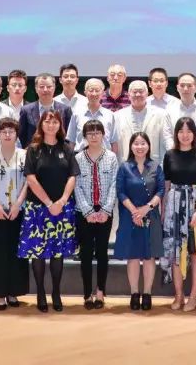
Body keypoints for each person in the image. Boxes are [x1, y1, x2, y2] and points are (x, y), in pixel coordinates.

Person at [18, 110, 79, 312]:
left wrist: (61, 201)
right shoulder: (33, 149)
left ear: (60, 125)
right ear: (41, 125)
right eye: (47, 121)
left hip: (62, 209)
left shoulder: (67, 148)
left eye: (55, 122)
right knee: (38, 253)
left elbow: (72, 176)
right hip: (38, 209)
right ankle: (40, 293)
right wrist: (48, 203)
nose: (51, 125)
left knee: (57, 253)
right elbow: (30, 178)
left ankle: (56, 293)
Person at [161, 116, 196, 311]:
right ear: (176, 134)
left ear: (194, 134)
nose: (185, 135)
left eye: (188, 131)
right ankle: (178, 295)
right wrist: (164, 211)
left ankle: (194, 296)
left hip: (195, 205)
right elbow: (166, 185)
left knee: (195, 253)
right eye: (181, 131)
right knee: (175, 252)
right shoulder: (169, 155)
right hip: (174, 208)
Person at [0, 117, 29, 310]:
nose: (8, 134)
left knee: (17, 252)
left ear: (17, 134)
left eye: (11, 131)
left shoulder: (25, 155)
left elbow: (28, 182)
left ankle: (13, 292)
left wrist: (18, 204)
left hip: (19, 210)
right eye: (4, 131)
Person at [115, 132, 165, 311]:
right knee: (133, 256)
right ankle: (134, 293)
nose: (140, 147)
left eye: (143, 143)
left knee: (149, 256)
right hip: (130, 216)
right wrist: (135, 212)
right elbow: (120, 192)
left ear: (149, 146)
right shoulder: (124, 167)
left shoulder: (156, 166)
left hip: (150, 216)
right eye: (136, 143)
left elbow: (161, 190)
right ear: (131, 146)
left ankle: (147, 293)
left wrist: (147, 208)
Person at [72, 119, 118, 310]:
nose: (94, 136)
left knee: (102, 253)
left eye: (97, 133)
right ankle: (87, 294)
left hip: (105, 213)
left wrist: (106, 210)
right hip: (84, 213)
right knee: (85, 253)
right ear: (84, 136)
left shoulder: (111, 157)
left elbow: (114, 184)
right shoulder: (78, 158)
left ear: (103, 135)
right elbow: (76, 186)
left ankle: (100, 291)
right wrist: (88, 211)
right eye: (90, 133)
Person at [115, 80, 171, 160]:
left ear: (147, 94)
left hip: (153, 163)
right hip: (126, 163)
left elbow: (166, 140)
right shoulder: (118, 116)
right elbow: (114, 143)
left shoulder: (161, 114)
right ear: (129, 95)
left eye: (141, 92)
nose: (138, 94)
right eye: (134, 92)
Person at [17, 72, 73, 149]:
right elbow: (21, 135)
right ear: (36, 89)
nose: (45, 90)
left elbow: (69, 136)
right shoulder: (26, 110)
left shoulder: (65, 110)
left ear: (54, 88)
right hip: (34, 153)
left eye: (49, 87)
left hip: (58, 153)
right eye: (42, 87)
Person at [167, 73, 196, 154]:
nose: (185, 89)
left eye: (189, 86)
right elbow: (167, 135)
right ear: (177, 88)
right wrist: (174, 153)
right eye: (182, 85)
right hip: (175, 156)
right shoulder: (170, 108)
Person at [68, 78, 117, 153]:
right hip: (80, 157)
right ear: (85, 92)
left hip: (105, 158)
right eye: (91, 90)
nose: (94, 94)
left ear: (102, 93)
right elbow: (72, 141)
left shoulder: (110, 115)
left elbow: (114, 143)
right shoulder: (76, 114)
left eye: (97, 90)